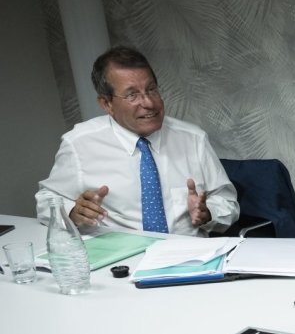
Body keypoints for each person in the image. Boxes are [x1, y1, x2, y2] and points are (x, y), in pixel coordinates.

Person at [37, 45, 238, 235]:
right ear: (106, 104)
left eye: (151, 90)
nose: (149, 103)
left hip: (187, 259)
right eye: (132, 95)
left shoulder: (193, 139)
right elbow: (47, 202)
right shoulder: (79, 144)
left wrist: (208, 212)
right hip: (117, 261)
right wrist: (73, 212)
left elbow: (227, 202)